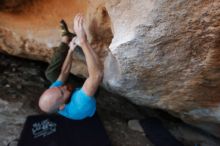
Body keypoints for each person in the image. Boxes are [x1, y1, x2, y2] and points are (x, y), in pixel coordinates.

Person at [38, 14, 103, 120]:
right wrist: (83, 41)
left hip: (73, 92)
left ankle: (65, 39)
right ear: (62, 106)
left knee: (50, 74)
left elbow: (64, 72)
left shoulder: (54, 92)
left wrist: (70, 50)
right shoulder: (78, 105)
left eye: (57, 87)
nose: (62, 86)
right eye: (62, 91)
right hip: (88, 96)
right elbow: (97, 75)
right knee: (94, 75)